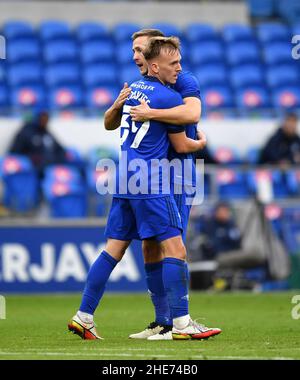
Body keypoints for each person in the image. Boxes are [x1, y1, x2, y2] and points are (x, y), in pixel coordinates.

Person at [68, 37, 221, 341]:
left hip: (124, 175)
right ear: (157, 65)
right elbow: (183, 135)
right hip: (153, 178)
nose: (178, 68)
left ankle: (84, 316)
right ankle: (180, 323)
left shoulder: (137, 88)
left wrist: (143, 112)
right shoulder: (167, 96)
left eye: (139, 49)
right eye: (173, 64)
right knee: (175, 247)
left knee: (115, 247)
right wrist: (201, 145)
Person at [9, 111, 66, 175]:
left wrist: (61, 157)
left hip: (50, 165)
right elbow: (14, 152)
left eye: (46, 119)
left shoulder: (46, 133)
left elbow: (59, 148)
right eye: (42, 118)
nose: (44, 121)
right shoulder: (26, 132)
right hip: (34, 168)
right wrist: (30, 157)